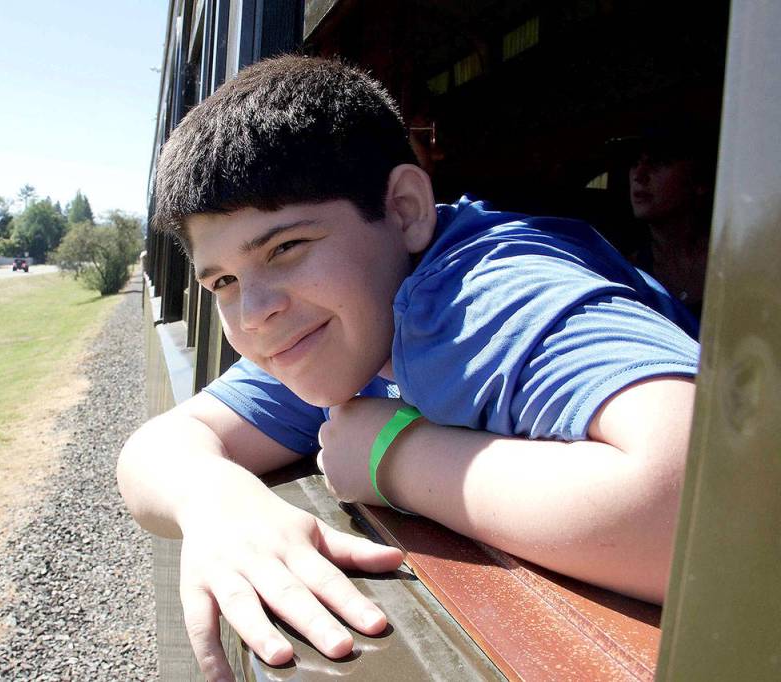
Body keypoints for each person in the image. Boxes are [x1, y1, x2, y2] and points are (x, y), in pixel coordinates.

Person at [118, 55, 699, 681]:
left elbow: (713, 510)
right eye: (224, 281)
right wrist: (215, 501)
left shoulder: (481, 296)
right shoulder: (331, 330)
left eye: (286, 248)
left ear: (404, 209)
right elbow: (158, 448)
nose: (255, 311)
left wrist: (390, 455)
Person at [614, 122, 717, 321]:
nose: (639, 176)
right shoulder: (625, 268)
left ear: (700, 182)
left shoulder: (733, 264)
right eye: (635, 163)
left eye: (659, 162)